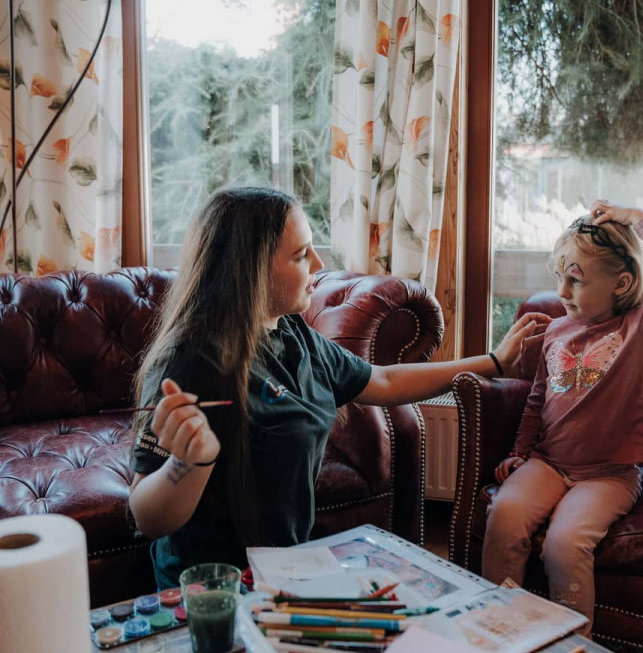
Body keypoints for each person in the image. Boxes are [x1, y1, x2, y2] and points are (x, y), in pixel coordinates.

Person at [129, 187, 551, 589]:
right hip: (212, 590)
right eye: (300, 255)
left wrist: (494, 362)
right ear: (250, 270)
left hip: (283, 569)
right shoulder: (191, 360)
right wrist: (191, 462)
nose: (317, 261)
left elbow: (381, 380)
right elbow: (148, 517)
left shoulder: (292, 331)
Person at [482, 199, 643, 634]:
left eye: (575, 280)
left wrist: (640, 221)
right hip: (548, 463)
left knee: (564, 543)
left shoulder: (641, 326)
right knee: (504, 518)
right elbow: (538, 400)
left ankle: (573, 648)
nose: (562, 291)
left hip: (609, 475)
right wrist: (521, 452)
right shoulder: (557, 331)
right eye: (559, 277)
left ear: (621, 283)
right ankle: (498, 629)